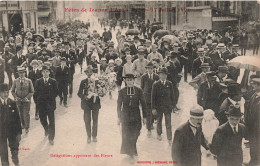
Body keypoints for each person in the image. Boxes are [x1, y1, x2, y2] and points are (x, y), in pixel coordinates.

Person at [117, 74, 147, 164]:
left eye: (131, 80)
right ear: (125, 81)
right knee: (127, 135)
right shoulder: (121, 91)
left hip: (136, 116)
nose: (129, 82)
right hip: (125, 116)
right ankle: (132, 153)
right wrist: (119, 117)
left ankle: (132, 151)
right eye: (128, 80)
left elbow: (143, 104)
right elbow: (118, 106)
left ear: (134, 81)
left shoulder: (139, 91)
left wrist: (144, 117)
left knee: (136, 133)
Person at [34, 65, 58, 145]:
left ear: (49, 72)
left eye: (47, 71)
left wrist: (50, 99)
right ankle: (46, 129)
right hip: (41, 105)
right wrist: (37, 102)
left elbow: (56, 92)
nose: (45, 73)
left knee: (52, 122)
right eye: (43, 72)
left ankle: (51, 138)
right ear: (41, 73)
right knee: (42, 120)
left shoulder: (53, 81)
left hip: (50, 105)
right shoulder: (38, 81)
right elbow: (35, 93)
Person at [77, 65, 101, 144]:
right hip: (86, 103)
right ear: (86, 73)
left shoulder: (97, 81)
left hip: (95, 103)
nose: (89, 73)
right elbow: (79, 93)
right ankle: (88, 136)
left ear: (93, 72)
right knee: (87, 120)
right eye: (88, 72)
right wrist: (84, 97)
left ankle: (94, 136)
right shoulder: (83, 82)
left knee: (95, 120)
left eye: (91, 72)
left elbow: (101, 92)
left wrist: (100, 93)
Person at [0, 83, 22, 166]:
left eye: (7, 92)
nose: (6, 94)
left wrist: (19, 132)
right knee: (3, 151)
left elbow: (17, 118)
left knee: (14, 147)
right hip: (1, 132)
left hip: (12, 130)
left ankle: (15, 161)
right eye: (3, 92)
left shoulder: (12, 102)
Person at [151, 67, 174, 144]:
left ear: (166, 75)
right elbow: (153, 97)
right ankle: (159, 134)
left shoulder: (169, 84)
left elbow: (172, 96)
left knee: (168, 122)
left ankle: (169, 138)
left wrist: (173, 106)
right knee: (159, 121)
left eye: (165, 74)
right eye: (161, 74)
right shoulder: (156, 84)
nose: (163, 76)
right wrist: (153, 108)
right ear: (159, 75)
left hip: (167, 107)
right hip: (159, 107)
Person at [11, 66, 34, 134]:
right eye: (20, 73)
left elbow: (32, 91)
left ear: (25, 73)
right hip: (18, 101)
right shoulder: (15, 81)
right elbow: (12, 91)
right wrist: (16, 97)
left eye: (23, 73)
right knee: (20, 113)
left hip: (26, 100)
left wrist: (27, 97)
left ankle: (27, 127)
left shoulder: (29, 81)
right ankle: (23, 124)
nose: (21, 74)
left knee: (26, 113)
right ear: (18, 74)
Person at [141, 62, 159, 137]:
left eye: (151, 68)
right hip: (147, 97)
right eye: (148, 69)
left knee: (153, 111)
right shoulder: (144, 77)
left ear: (153, 69)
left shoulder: (156, 76)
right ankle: (149, 129)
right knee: (148, 112)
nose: (150, 70)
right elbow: (142, 87)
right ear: (147, 69)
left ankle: (151, 123)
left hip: (154, 97)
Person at [245, 78, 260, 166]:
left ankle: (255, 162)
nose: (252, 85)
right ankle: (253, 160)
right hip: (252, 126)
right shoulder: (254, 94)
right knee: (253, 144)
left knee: (256, 144)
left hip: (257, 127)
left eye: (254, 84)